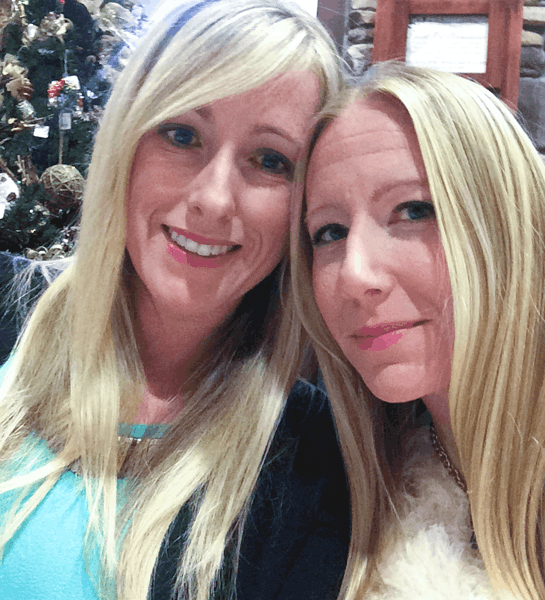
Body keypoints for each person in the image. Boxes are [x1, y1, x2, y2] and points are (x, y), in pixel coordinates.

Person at [0, 2, 350, 599]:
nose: (214, 199)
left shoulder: (311, 462)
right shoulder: (9, 312)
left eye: (270, 160)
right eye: (182, 135)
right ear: (126, 143)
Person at [291, 61, 545, 600]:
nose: (355, 275)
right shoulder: (328, 493)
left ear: (509, 225)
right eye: (330, 232)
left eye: (413, 210)